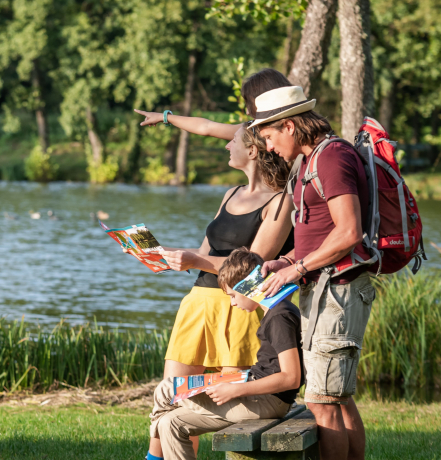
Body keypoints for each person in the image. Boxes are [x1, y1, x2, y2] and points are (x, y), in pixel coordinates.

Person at [130, 68, 296, 457]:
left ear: (253, 148)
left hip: (239, 310)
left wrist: (197, 259)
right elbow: (206, 250)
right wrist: (169, 258)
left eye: (235, 140)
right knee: (169, 400)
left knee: (211, 404)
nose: (227, 144)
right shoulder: (230, 192)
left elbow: (254, 267)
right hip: (199, 305)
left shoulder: (280, 200)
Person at [253, 85, 375, 460]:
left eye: (270, 137)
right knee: (336, 399)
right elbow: (319, 236)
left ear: (289, 126)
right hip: (325, 288)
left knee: (322, 402)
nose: (270, 148)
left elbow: (350, 232)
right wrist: (288, 261)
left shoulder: (332, 158)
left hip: (337, 292)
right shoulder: (309, 161)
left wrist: (299, 268)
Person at [146, 248, 303, 460]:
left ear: (249, 287)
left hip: (267, 401)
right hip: (253, 389)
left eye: (232, 295)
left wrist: (235, 391)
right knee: (170, 423)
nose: (232, 303)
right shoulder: (274, 309)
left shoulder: (279, 317)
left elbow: (292, 378)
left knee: (166, 389)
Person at [133, 68, 293, 141]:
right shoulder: (255, 130)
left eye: (249, 103)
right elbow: (206, 127)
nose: (248, 111)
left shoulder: (301, 133)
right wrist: (164, 117)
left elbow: (207, 128)